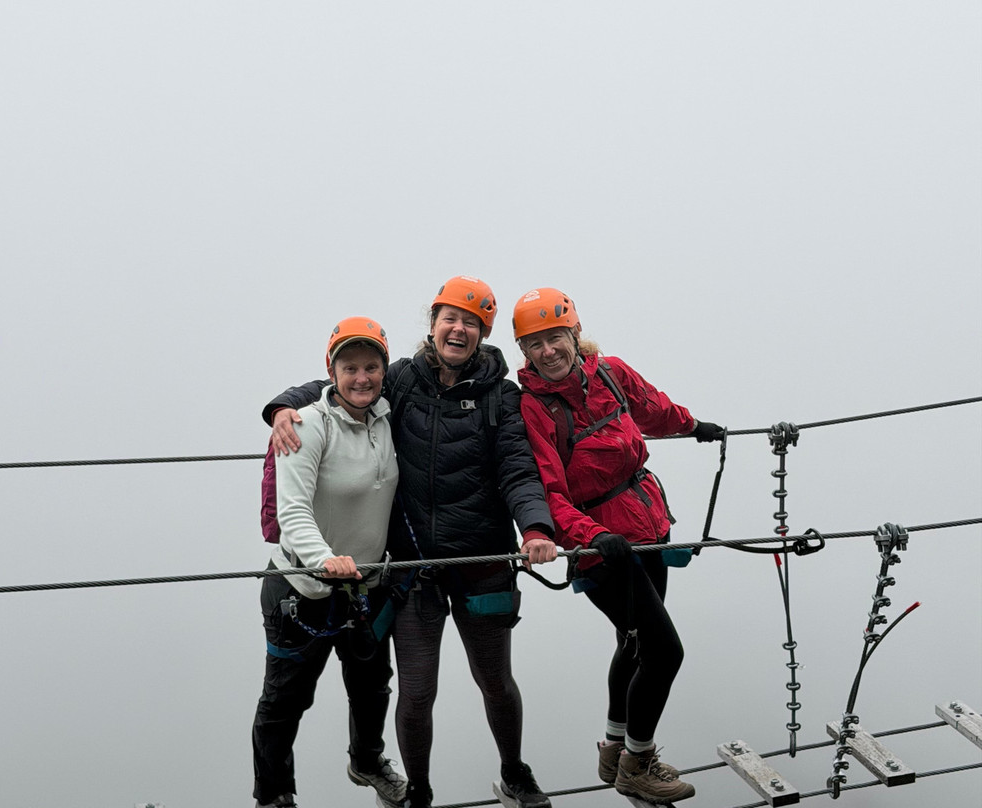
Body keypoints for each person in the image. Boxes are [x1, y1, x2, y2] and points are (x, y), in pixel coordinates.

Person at [266, 276, 557, 808]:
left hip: (481, 559)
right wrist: (281, 407)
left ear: (482, 333)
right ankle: (418, 792)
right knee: (417, 691)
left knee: (495, 681)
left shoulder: (501, 395)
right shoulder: (401, 379)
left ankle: (515, 772)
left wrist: (536, 528)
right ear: (432, 324)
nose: (458, 328)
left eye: (471, 322)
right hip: (415, 568)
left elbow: (518, 468)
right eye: (450, 317)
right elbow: (340, 385)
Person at [511, 288, 724, 805]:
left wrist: (693, 426)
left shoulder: (610, 373)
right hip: (602, 547)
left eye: (555, 338)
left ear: (574, 335)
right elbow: (549, 491)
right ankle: (637, 762)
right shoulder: (535, 408)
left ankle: (614, 748)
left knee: (633, 642)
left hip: (648, 526)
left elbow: (651, 409)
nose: (547, 351)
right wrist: (590, 536)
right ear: (525, 351)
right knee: (664, 651)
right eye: (534, 343)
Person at [251, 317, 407, 808]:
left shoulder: (389, 419)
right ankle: (273, 795)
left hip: (366, 585)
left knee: (372, 688)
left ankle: (366, 762)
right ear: (330, 372)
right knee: (285, 702)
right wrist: (324, 559)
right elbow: (293, 510)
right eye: (350, 367)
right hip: (304, 589)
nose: (362, 378)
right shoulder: (304, 424)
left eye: (371, 366)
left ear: (384, 370)